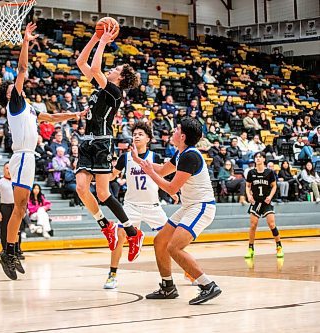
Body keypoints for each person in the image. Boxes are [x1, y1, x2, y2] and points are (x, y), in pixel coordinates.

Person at [0, 23, 84, 280]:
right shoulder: (15, 102)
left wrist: (76, 114)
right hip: (22, 156)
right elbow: (22, 68)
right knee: (19, 207)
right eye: (13, 87)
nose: (17, 86)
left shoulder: (30, 108)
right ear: (10, 95)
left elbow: (53, 117)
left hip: (28, 158)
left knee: (22, 209)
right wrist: (25, 42)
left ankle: (13, 250)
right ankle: (8, 252)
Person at [132, 118, 221, 305]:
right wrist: (139, 160)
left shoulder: (191, 156)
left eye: (177, 129)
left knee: (174, 247)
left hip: (202, 206)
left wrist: (150, 172)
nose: (173, 130)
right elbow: (163, 170)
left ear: (182, 136)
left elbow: (171, 189)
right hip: (189, 206)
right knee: (160, 241)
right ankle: (168, 286)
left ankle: (207, 285)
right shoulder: (181, 154)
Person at [75, 24, 144, 261]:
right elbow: (81, 63)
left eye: (116, 68)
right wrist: (95, 38)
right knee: (82, 188)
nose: (111, 68)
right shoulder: (101, 84)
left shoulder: (115, 91)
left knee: (103, 193)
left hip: (103, 142)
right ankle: (107, 226)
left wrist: (103, 40)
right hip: (87, 140)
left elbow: (94, 67)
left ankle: (133, 233)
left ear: (121, 77)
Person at [103, 122, 177, 289]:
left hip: (153, 206)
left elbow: (163, 177)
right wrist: (98, 176)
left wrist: (171, 191)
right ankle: (112, 275)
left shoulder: (154, 158)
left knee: (171, 240)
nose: (136, 136)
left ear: (148, 139)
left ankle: (186, 271)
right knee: (119, 237)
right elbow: (112, 176)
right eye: (134, 134)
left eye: (140, 134)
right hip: (131, 206)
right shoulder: (125, 157)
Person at [245, 152, 284, 259]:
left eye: (259, 157)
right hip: (256, 202)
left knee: (272, 224)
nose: (257, 159)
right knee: (253, 225)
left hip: (266, 202)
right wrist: (249, 196)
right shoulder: (251, 172)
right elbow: (248, 186)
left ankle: (279, 246)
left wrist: (270, 196)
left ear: (263, 159)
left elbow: (274, 186)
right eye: (256, 157)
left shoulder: (269, 172)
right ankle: (250, 248)